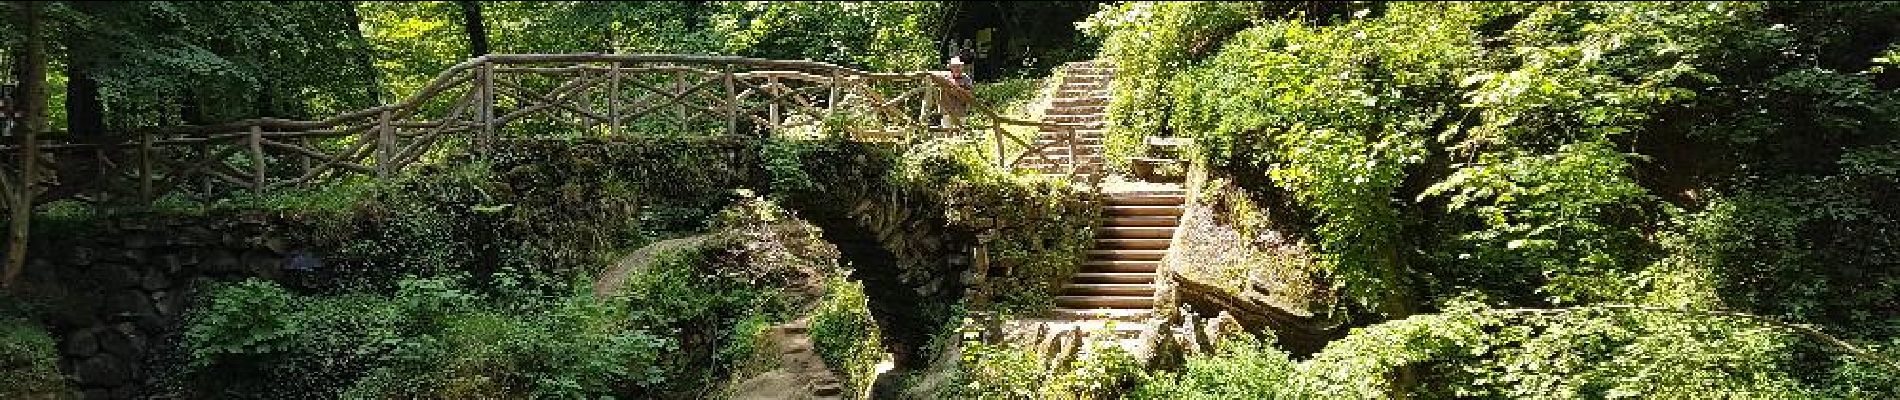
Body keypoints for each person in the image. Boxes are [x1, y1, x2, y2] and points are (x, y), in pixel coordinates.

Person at [940, 49, 976, 129]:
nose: (956, 68)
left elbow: (970, 94)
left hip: (961, 111)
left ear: (961, 67)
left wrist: (958, 88)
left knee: (961, 134)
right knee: (946, 134)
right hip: (947, 112)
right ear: (951, 68)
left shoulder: (966, 79)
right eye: (954, 66)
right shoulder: (945, 77)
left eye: (958, 66)